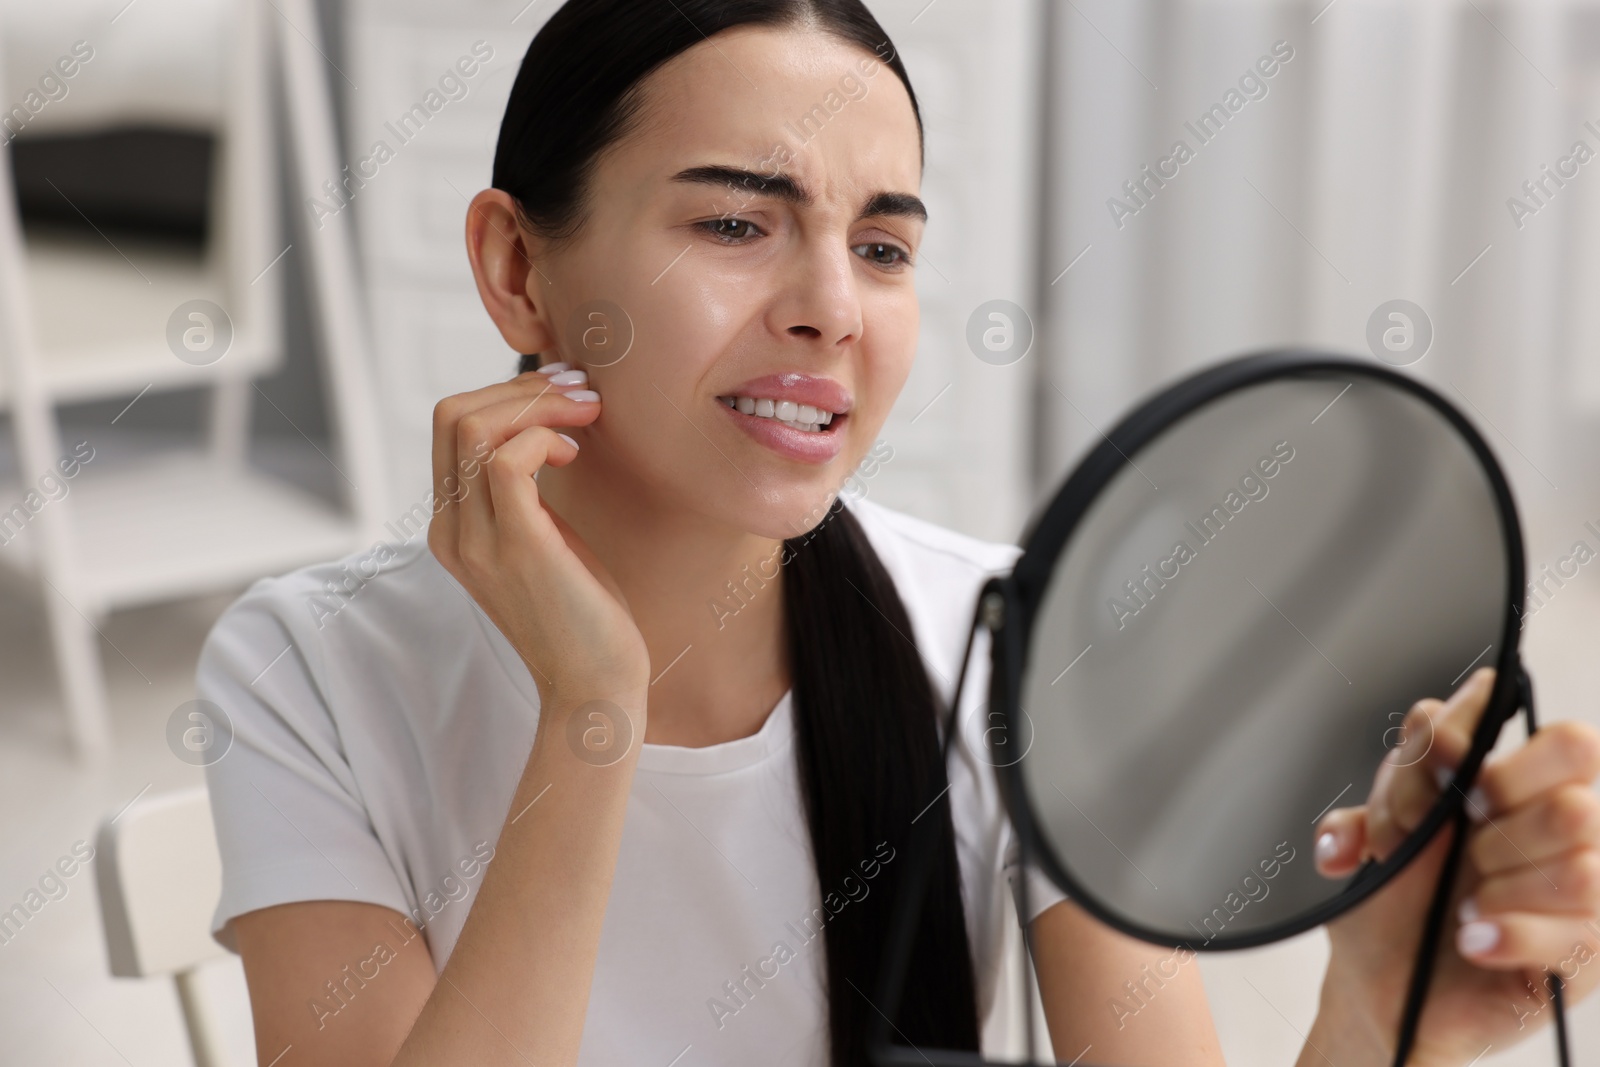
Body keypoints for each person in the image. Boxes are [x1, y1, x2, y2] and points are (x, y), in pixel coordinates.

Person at [197, 1, 1600, 1064]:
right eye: (739, 223)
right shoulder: (309, 671)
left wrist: (1379, 1017)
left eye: (881, 247)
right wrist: (592, 713)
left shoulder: (1020, 646)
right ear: (518, 267)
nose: (832, 311)